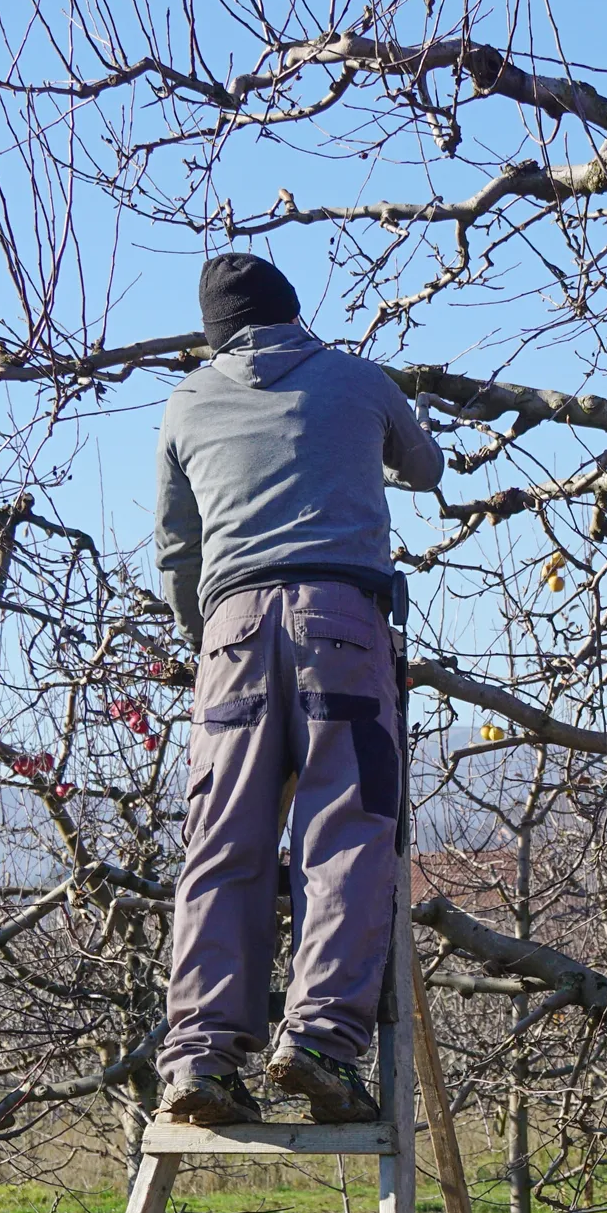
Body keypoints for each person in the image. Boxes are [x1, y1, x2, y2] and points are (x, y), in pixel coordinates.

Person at [154, 253, 446, 1124]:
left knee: (222, 837)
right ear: (294, 312)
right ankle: (319, 1039)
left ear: (215, 336)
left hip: (230, 634)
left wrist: (203, 640)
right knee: (346, 831)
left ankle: (200, 1059)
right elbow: (424, 467)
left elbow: (177, 554)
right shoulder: (357, 378)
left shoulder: (186, 402)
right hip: (342, 625)